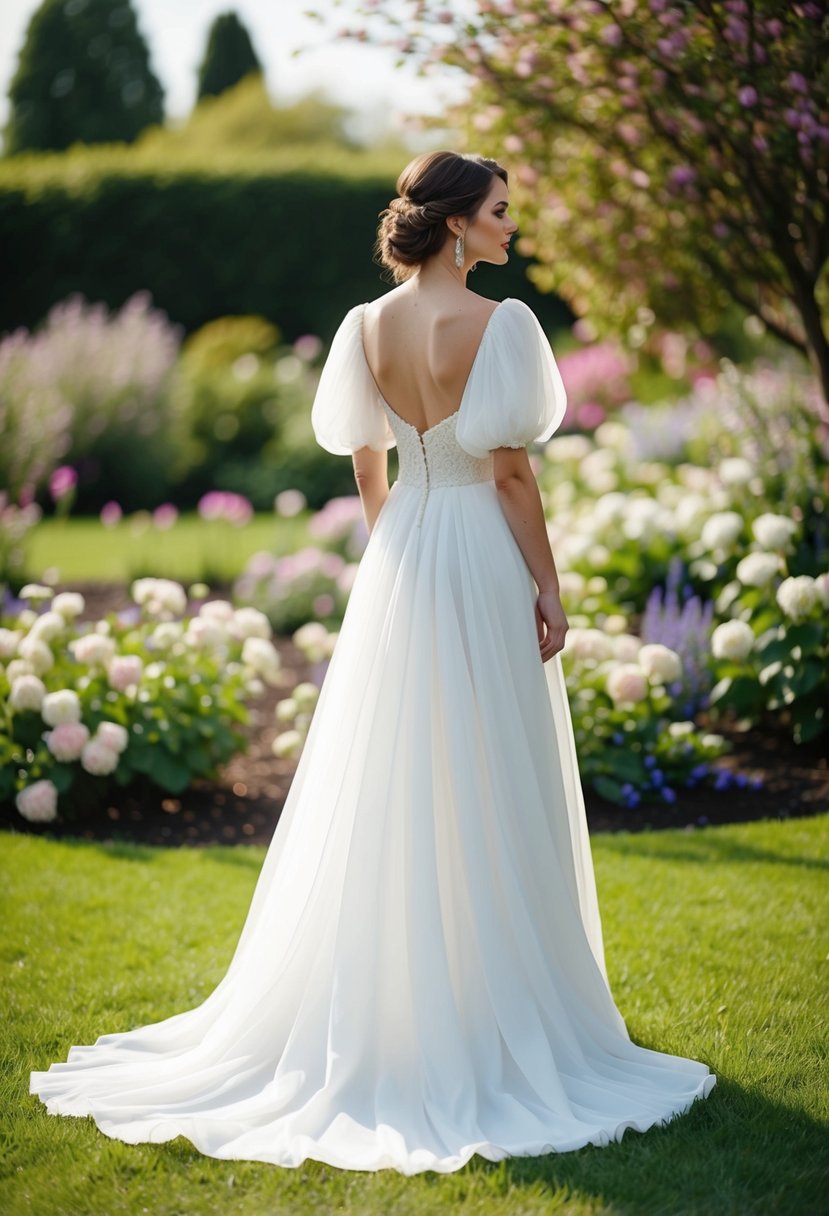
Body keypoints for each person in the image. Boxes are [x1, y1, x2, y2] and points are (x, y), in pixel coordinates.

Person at [29, 150, 716, 1175]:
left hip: (404, 557)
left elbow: (367, 459)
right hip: (481, 550)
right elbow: (515, 474)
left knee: (397, 777)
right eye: (497, 213)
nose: (509, 229)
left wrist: (406, 548)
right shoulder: (505, 325)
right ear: (453, 226)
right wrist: (549, 586)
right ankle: (490, 1003)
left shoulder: (362, 327)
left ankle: (404, 998)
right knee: (489, 771)